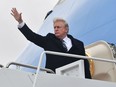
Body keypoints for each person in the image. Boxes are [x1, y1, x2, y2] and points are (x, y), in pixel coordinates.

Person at [11, 8, 91, 79]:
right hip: (54, 79)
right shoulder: (49, 40)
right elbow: (32, 36)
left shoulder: (79, 44)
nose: (56, 29)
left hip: (76, 80)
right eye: (54, 27)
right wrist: (20, 21)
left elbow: (85, 65)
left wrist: (89, 82)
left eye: (58, 27)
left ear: (66, 29)